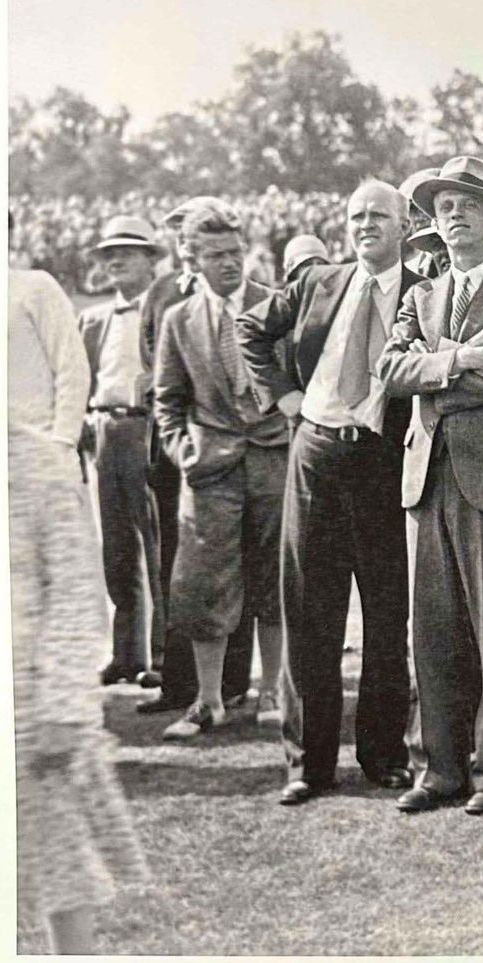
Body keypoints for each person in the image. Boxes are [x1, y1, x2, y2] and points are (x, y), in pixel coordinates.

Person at [375, 156, 483, 816]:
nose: (452, 217)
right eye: (442, 207)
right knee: (435, 629)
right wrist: (457, 360)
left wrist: (437, 382)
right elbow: (389, 370)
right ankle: (440, 767)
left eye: (466, 206)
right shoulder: (419, 295)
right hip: (428, 476)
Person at [237, 181, 421, 805]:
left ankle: (383, 754)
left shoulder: (425, 290)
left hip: (384, 462)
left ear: (404, 225)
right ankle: (307, 764)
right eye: (356, 216)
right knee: (310, 615)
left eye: (378, 216)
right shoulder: (319, 282)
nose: (365, 224)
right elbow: (250, 329)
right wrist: (283, 397)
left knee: (387, 614)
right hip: (315, 453)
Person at [9, 253, 148, 952]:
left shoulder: (34, 465)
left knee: (63, 878)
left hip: (34, 715)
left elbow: (75, 596)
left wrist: (63, 705)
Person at [151, 198, 290, 741]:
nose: (230, 264)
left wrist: (290, 436)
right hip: (210, 470)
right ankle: (209, 700)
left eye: (236, 253)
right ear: (193, 259)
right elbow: (166, 399)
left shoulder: (277, 306)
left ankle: (274, 692)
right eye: (216, 255)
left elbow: (298, 380)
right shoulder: (178, 319)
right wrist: (185, 451)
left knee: (276, 579)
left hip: (274, 459)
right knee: (205, 585)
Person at [135, 201, 255, 718]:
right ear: (184, 246)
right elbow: (158, 379)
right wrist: (182, 449)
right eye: (182, 237)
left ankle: (237, 684)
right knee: (187, 575)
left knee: (253, 570)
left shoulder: (256, 297)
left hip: (253, 454)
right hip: (190, 459)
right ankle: (182, 683)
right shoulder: (164, 296)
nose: (191, 248)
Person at [77, 215, 165, 688]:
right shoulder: (92, 319)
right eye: (108, 254)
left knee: (156, 545)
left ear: (151, 260)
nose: (115, 260)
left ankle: (166, 658)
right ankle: (126, 654)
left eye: (126, 252)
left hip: (148, 429)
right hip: (104, 431)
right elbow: (81, 379)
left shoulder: (165, 311)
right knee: (116, 549)